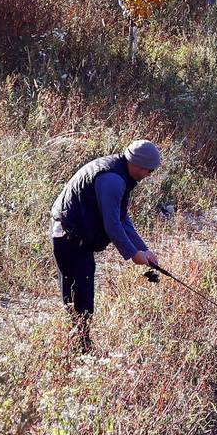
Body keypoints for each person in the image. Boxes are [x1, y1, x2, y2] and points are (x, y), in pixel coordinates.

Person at [50, 139, 161, 353]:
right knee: (78, 296)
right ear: (138, 165)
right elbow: (112, 225)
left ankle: (81, 347)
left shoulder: (119, 173)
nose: (150, 175)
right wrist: (132, 254)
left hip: (78, 238)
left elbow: (121, 218)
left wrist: (143, 249)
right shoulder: (113, 180)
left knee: (83, 293)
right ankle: (79, 349)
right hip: (67, 237)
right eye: (150, 171)